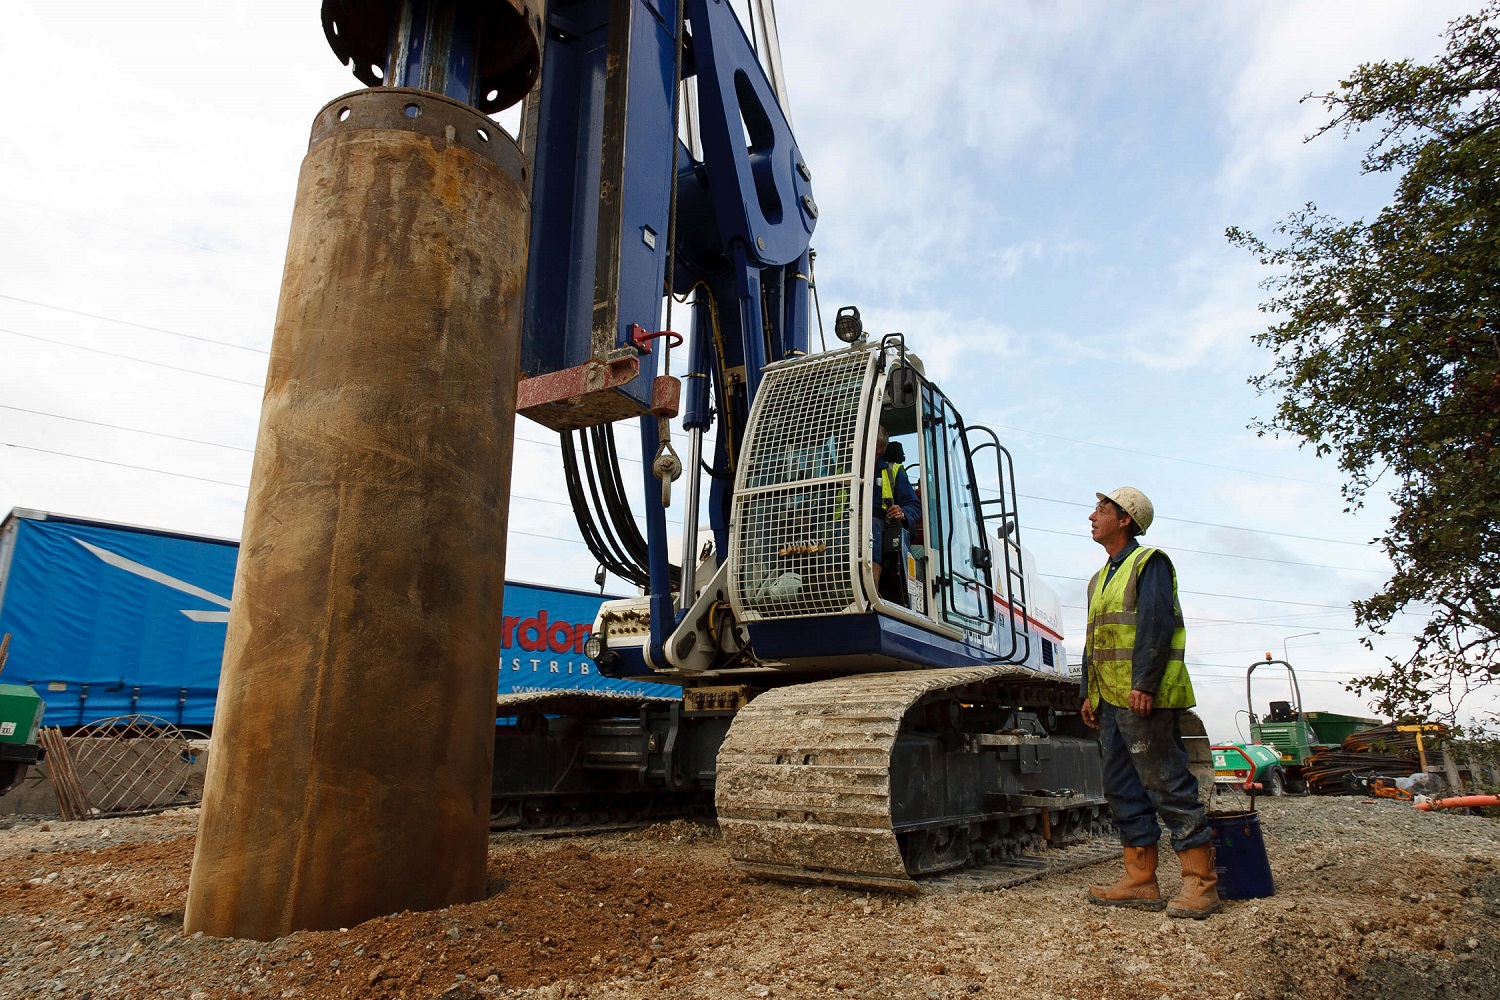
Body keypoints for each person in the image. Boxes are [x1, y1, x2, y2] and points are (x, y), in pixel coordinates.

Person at [1079, 487, 1220, 919]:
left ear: (1125, 519)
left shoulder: (1149, 563)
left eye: (1101, 509)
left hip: (1143, 698)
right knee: (1122, 789)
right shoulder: (1099, 578)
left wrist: (1145, 682)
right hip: (1111, 701)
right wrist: (1088, 691)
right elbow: (1095, 640)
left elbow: (1156, 625)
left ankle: (1202, 884)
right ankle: (1140, 882)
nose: (1092, 515)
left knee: (1167, 783)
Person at [872, 423, 920, 590]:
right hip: (846, 522)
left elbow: (914, 505)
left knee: (872, 527)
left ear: (878, 447)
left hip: (882, 523)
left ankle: (872, 589)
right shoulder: (846, 469)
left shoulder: (893, 471)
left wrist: (901, 512)